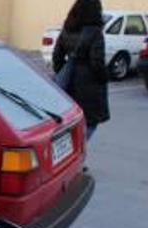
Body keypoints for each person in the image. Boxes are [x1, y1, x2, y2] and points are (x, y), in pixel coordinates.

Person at [52, 0, 110, 141]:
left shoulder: (67, 28)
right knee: (89, 124)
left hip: (69, 84)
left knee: (71, 122)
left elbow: (57, 57)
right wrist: (105, 77)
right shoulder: (95, 32)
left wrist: (66, 72)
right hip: (89, 86)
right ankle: (78, 155)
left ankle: (70, 154)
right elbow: (97, 63)